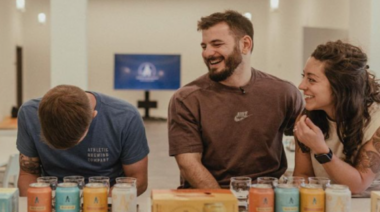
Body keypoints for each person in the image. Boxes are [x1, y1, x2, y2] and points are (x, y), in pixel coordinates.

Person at [168, 10, 303, 188]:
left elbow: (306, 140)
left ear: (245, 45)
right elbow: (188, 164)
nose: (207, 53)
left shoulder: (284, 92)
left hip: (267, 196)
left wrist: (297, 184)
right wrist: (224, 204)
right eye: (204, 46)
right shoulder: (186, 99)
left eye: (216, 44)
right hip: (209, 197)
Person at [17, 85, 149, 196]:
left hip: (108, 198)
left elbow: (138, 179)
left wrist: (100, 202)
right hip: (50, 197)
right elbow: (28, 173)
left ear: (93, 116)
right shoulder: (29, 114)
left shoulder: (125, 117)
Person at [293, 40, 380, 194]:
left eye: (311, 79)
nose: (301, 85)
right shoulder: (307, 118)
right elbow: (303, 175)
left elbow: (357, 185)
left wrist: (320, 148)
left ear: (340, 86)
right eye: (304, 76)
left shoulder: (376, 120)